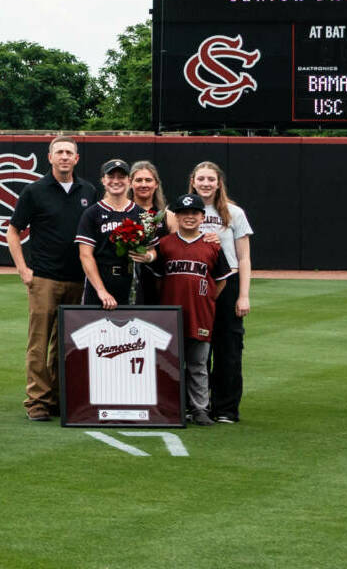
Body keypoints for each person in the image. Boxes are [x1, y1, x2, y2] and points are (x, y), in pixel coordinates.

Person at [7, 134, 97, 420]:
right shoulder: (35, 191)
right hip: (44, 277)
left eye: (69, 152)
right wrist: (23, 268)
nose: (64, 157)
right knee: (39, 342)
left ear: (77, 158)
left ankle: (58, 398)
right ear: (50, 157)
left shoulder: (88, 190)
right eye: (59, 152)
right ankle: (37, 401)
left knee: (65, 343)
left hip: (78, 279)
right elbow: (13, 230)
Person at [148, 194, 236, 425]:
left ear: (202, 217)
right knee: (168, 363)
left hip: (200, 313)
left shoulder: (212, 245)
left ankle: (199, 409)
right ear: (176, 217)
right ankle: (171, 407)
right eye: (184, 213)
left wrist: (207, 298)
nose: (189, 217)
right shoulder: (165, 244)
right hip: (170, 314)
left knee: (198, 364)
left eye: (194, 213)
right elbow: (158, 280)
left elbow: (221, 280)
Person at [189, 161, 255, 423]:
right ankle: (197, 405)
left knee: (228, 347)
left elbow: (244, 257)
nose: (205, 184)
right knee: (196, 346)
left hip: (228, 281)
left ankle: (225, 408)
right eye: (201, 179)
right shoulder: (183, 210)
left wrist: (244, 295)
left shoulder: (233, 212)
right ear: (193, 181)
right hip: (195, 282)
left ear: (218, 183)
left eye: (210, 179)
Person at [76, 157, 144, 310]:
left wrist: (148, 256)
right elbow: (85, 255)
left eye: (121, 177)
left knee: (129, 324)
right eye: (111, 176)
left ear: (129, 181)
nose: (116, 181)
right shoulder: (92, 213)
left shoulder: (140, 214)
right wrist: (101, 291)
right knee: (94, 324)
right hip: (99, 281)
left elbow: (152, 250)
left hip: (129, 281)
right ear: (103, 180)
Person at [127, 160, 170, 305]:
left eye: (148, 180)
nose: (143, 184)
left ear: (156, 184)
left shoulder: (168, 216)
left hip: (159, 284)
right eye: (139, 180)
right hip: (127, 282)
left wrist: (150, 256)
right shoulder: (121, 212)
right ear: (130, 183)